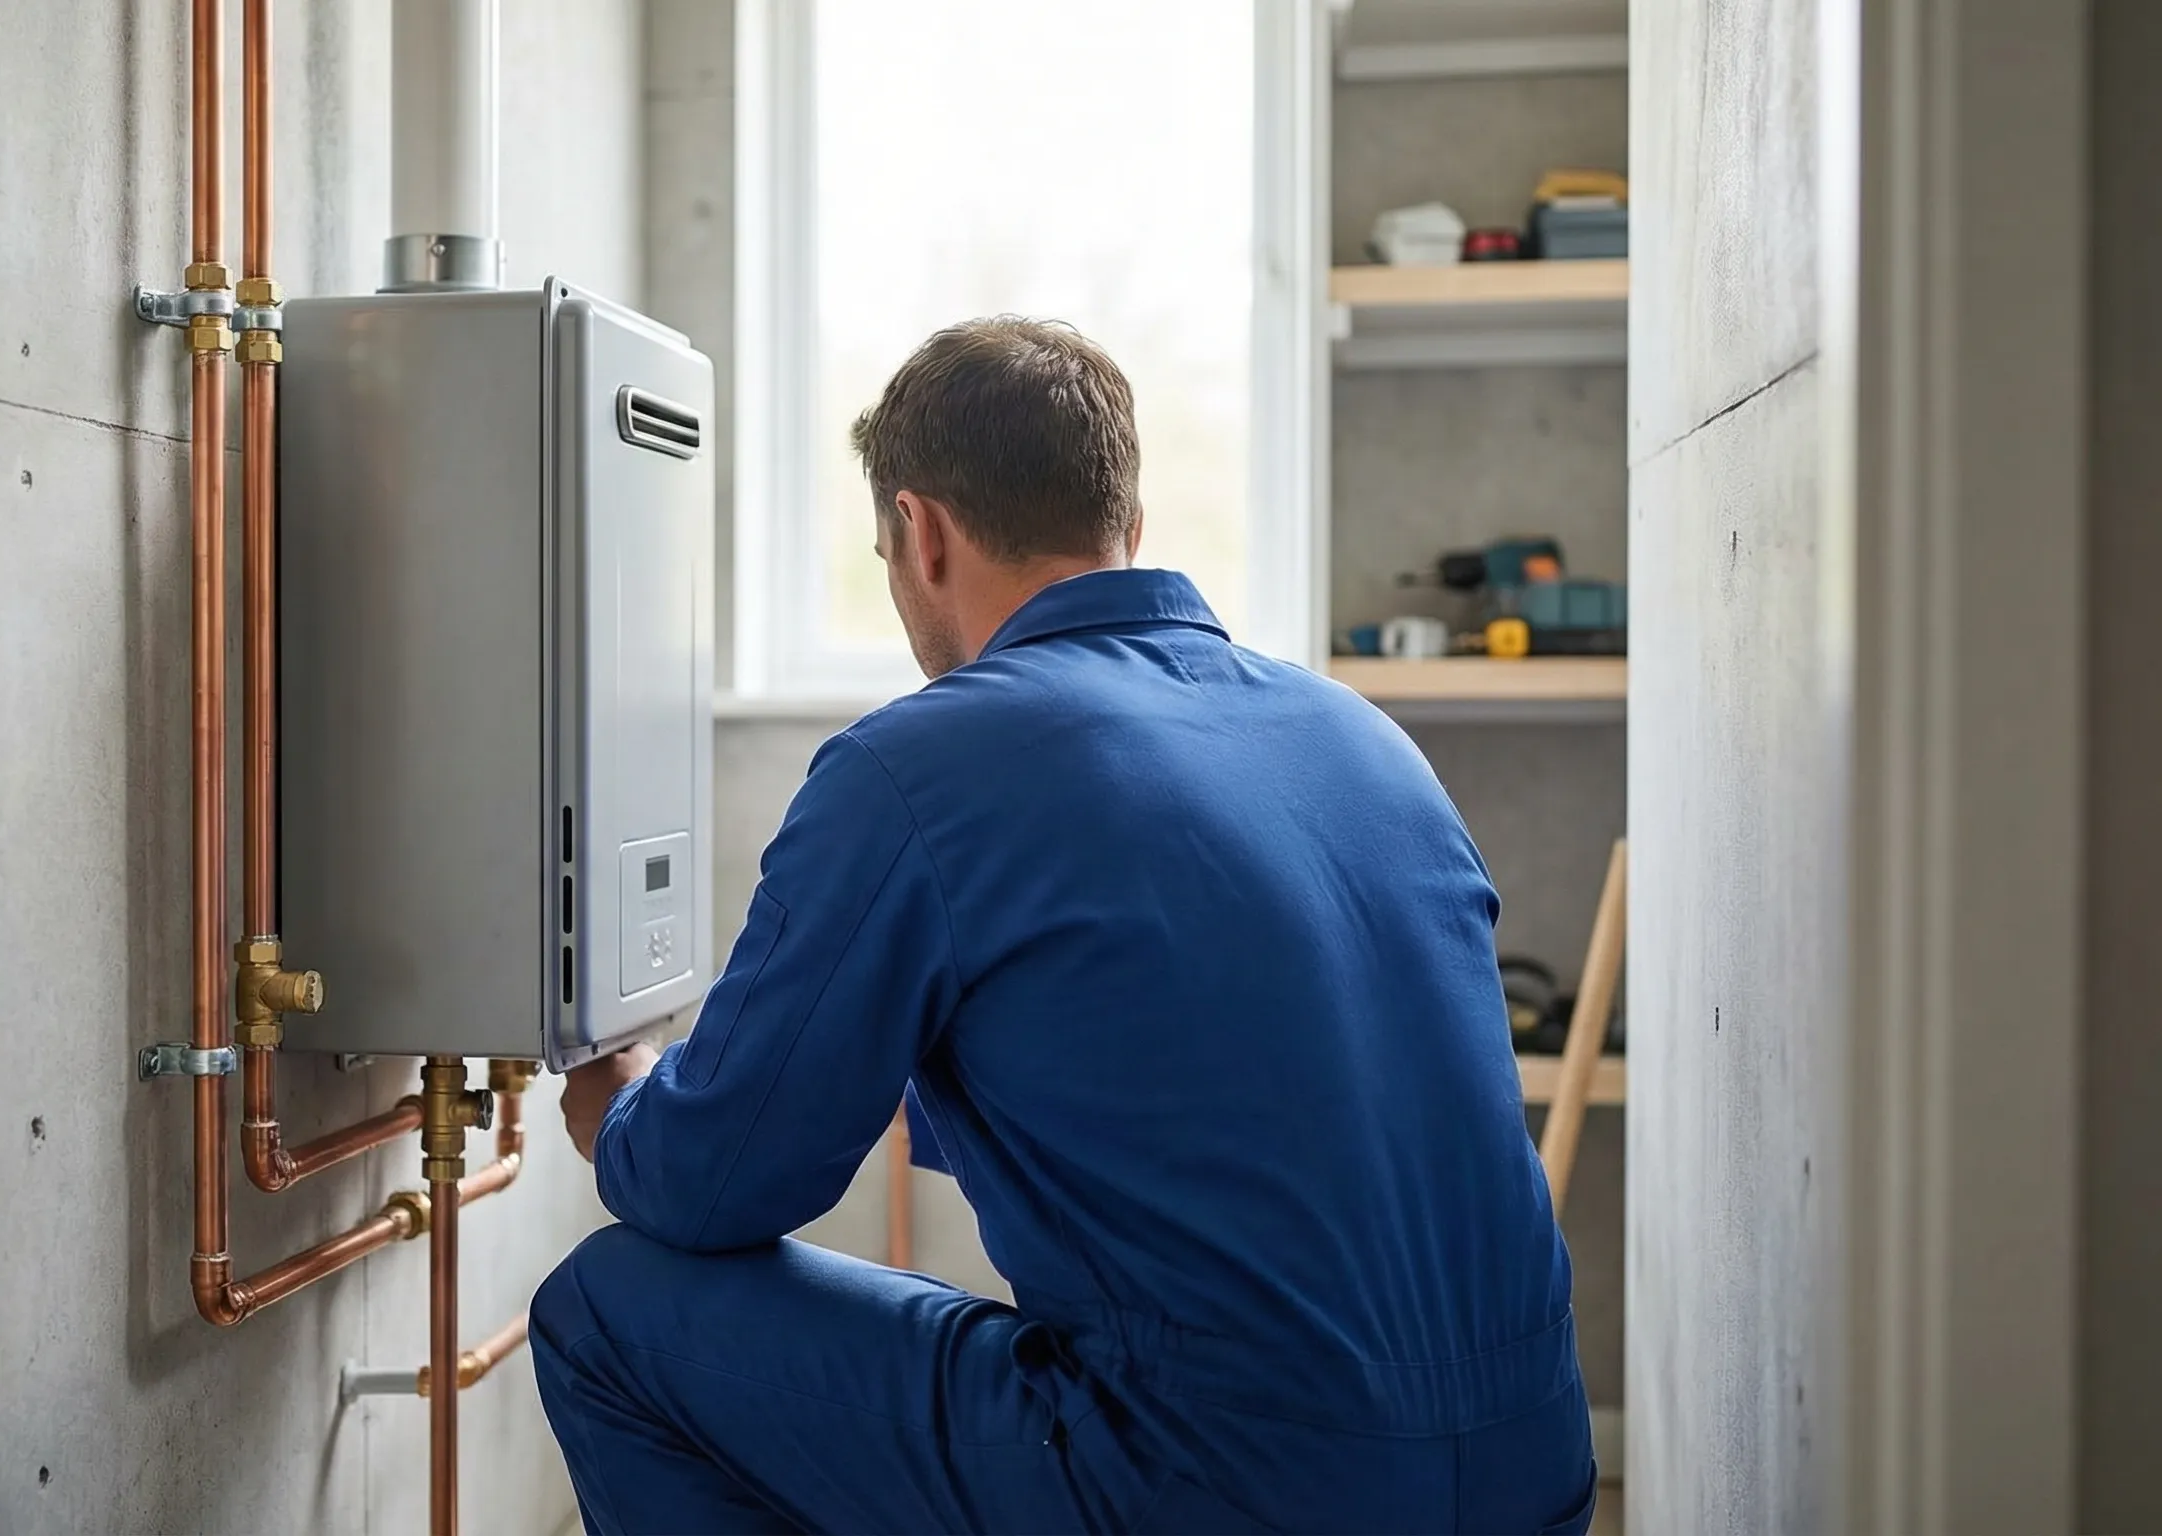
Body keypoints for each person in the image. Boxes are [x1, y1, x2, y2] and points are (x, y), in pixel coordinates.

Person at [530, 317, 1596, 1535]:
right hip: (1531, 1481)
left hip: (1224, 1486)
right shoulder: (1355, 734)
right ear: (1126, 526)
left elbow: (714, 1184)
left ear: (918, 533)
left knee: (609, 1308)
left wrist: (622, 1102)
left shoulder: (919, 763)